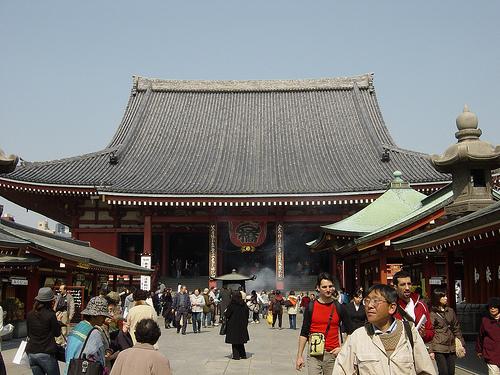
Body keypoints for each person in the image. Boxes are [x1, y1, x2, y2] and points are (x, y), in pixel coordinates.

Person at [333, 284, 436, 375]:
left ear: (391, 308)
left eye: (376, 301)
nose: (369, 306)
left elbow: (426, 371)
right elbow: (341, 370)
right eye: (367, 301)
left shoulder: (409, 332)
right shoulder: (358, 337)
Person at [296, 272, 353, 374]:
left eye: (330, 286)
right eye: (324, 287)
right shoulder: (311, 307)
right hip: (314, 354)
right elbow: (304, 333)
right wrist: (299, 356)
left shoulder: (339, 307)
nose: (328, 289)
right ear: (318, 288)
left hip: (332, 354)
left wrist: (342, 348)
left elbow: (350, 331)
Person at [65, 296, 111, 374]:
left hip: (70, 370)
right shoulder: (94, 333)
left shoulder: (77, 327)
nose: (104, 319)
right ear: (94, 316)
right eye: (103, 316)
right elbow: (98, 359)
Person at [428, 288, 465, 375]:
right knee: (443, 372)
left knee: (451, 372)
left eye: (446, 296)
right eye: (443, 296)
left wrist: (461, 344)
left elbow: (456, 328)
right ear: (437, 298)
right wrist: (431, 350)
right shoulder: (432, 314)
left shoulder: (450, 311)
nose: (446, 298)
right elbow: (430, 332)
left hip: (451, 346)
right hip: (438, 347)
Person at [26, 287, 62, 375]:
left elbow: (29, 334)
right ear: (50, 302)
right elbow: (57, 333)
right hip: (46, 352)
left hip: (32, 352)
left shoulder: (30, 314)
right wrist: (58, 322)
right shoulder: (50, 315)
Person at [392, 270, 434, 343]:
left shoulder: (421, 305)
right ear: (395, 287)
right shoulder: (391, 307)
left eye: (409, 284)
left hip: (418, 349)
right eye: (403, 284)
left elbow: (430, 331)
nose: (407, 288)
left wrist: (424, 334)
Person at [476, 297, 500, 375]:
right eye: (490, 307)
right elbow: (480, 336)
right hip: (491, 353)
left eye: (495, 307)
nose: (492, 308)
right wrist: (479, 350)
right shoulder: (485, 320)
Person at [225, 291, 250, 360]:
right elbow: (247, 314)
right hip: (242, 324)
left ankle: (236, 356)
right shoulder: (244, 304)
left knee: (234, 341)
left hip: (233, 325)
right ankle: (243, 355)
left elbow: (227, 314)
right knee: (241, 341)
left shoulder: (232, 304)